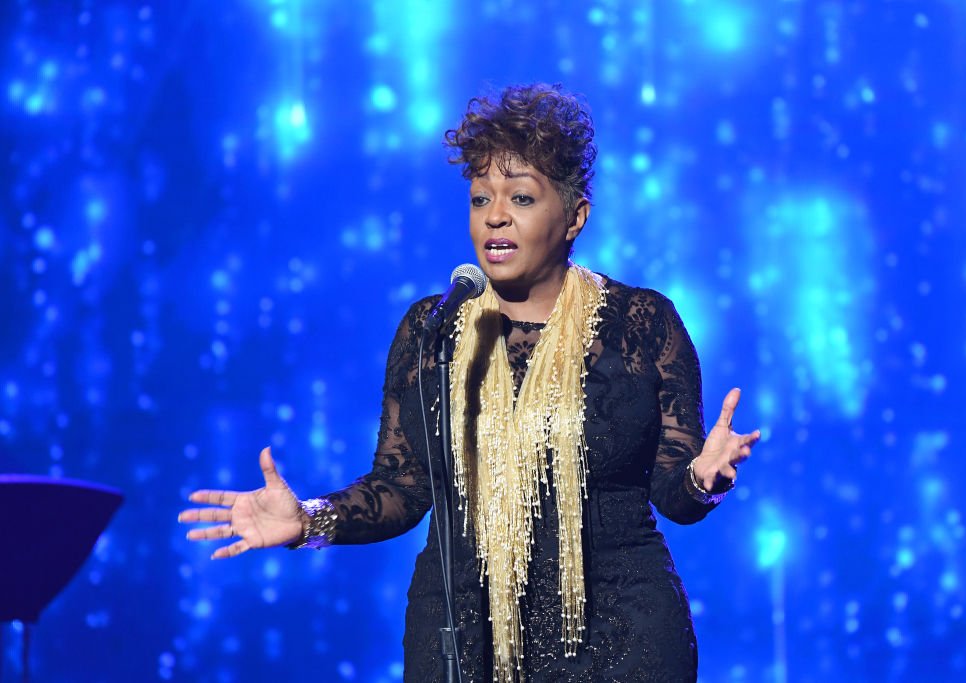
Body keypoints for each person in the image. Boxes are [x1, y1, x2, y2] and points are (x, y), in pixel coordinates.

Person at [179, 83, 761, 682]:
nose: (496, 215)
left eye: (522, 198)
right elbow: (403, 487)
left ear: (575, 217)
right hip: (460, 636)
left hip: (620, 636)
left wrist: (702, 479)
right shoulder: (435, 328)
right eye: (481, 198)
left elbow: (675, 494)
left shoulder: (639, 322)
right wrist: (309, 520)